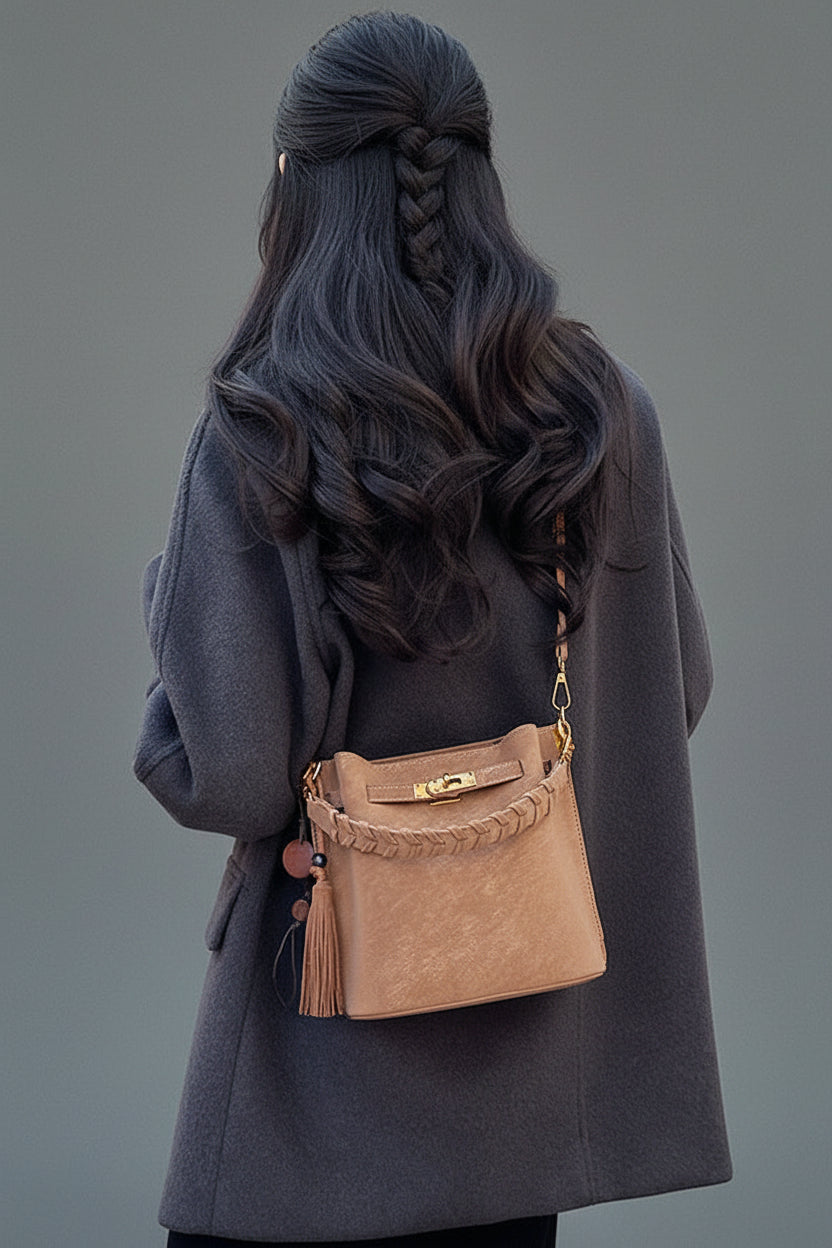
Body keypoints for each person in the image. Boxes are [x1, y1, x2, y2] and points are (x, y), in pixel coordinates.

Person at [132, 11, 732, 1246]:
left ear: (295, 177)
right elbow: (676, 687)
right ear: (476, 169)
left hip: (321, 1084)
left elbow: (232, 771)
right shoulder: (600, 412)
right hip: (523, 1101)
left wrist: (170, 615)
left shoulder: (264, 430)